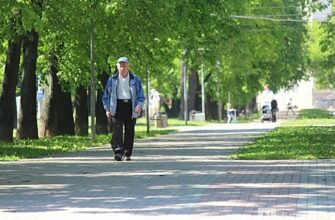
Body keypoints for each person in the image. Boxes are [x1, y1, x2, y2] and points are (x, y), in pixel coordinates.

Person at [102, 57, 145, 161]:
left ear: (128, 66)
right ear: (117, 67)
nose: (122, 68)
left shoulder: (135, 79)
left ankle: (127, 152)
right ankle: (118, 151)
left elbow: (141, 95)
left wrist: (139, 105)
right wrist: (107, 109)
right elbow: (106, 96)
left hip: (131, 105)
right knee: (117, 130)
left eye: (124, 65)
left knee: (130, 130)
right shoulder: (112, 79)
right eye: (120, 65)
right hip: (117, 105)